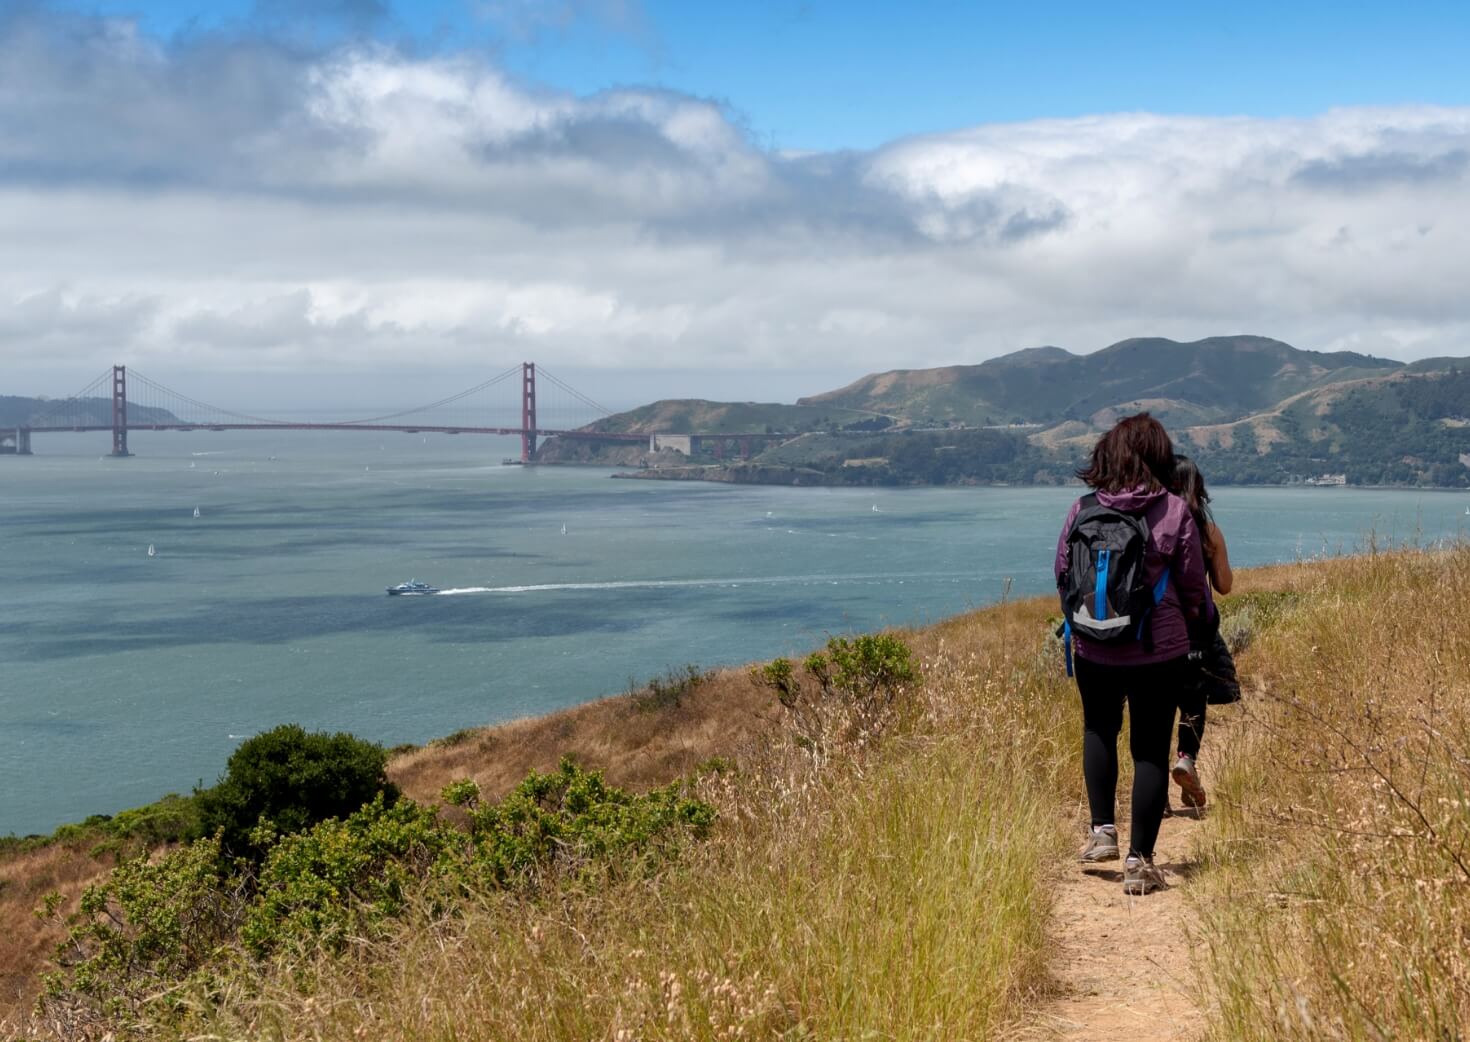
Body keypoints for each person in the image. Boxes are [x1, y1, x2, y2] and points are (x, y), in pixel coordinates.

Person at [1055, 414, 1209, 895]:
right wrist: (1200, 628)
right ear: (1159, 457)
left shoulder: (1081, 509)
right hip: (1157, 650)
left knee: (1098, 728)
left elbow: (1062, 572)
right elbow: (1192, 587)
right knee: (1149, 748)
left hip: (1093, 646)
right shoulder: (1173, 511)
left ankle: (1102, 830)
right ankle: (1139, 862)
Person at [1169, 455, 1239, 810]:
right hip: (1197, 634)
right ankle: (1186, 759)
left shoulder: (1152, 526)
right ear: (1197, 488)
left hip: (1157, 633)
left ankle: (1151, 786)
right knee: (1193, 701)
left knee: (1158, 704)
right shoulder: (1208, 531)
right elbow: (1224, 585)